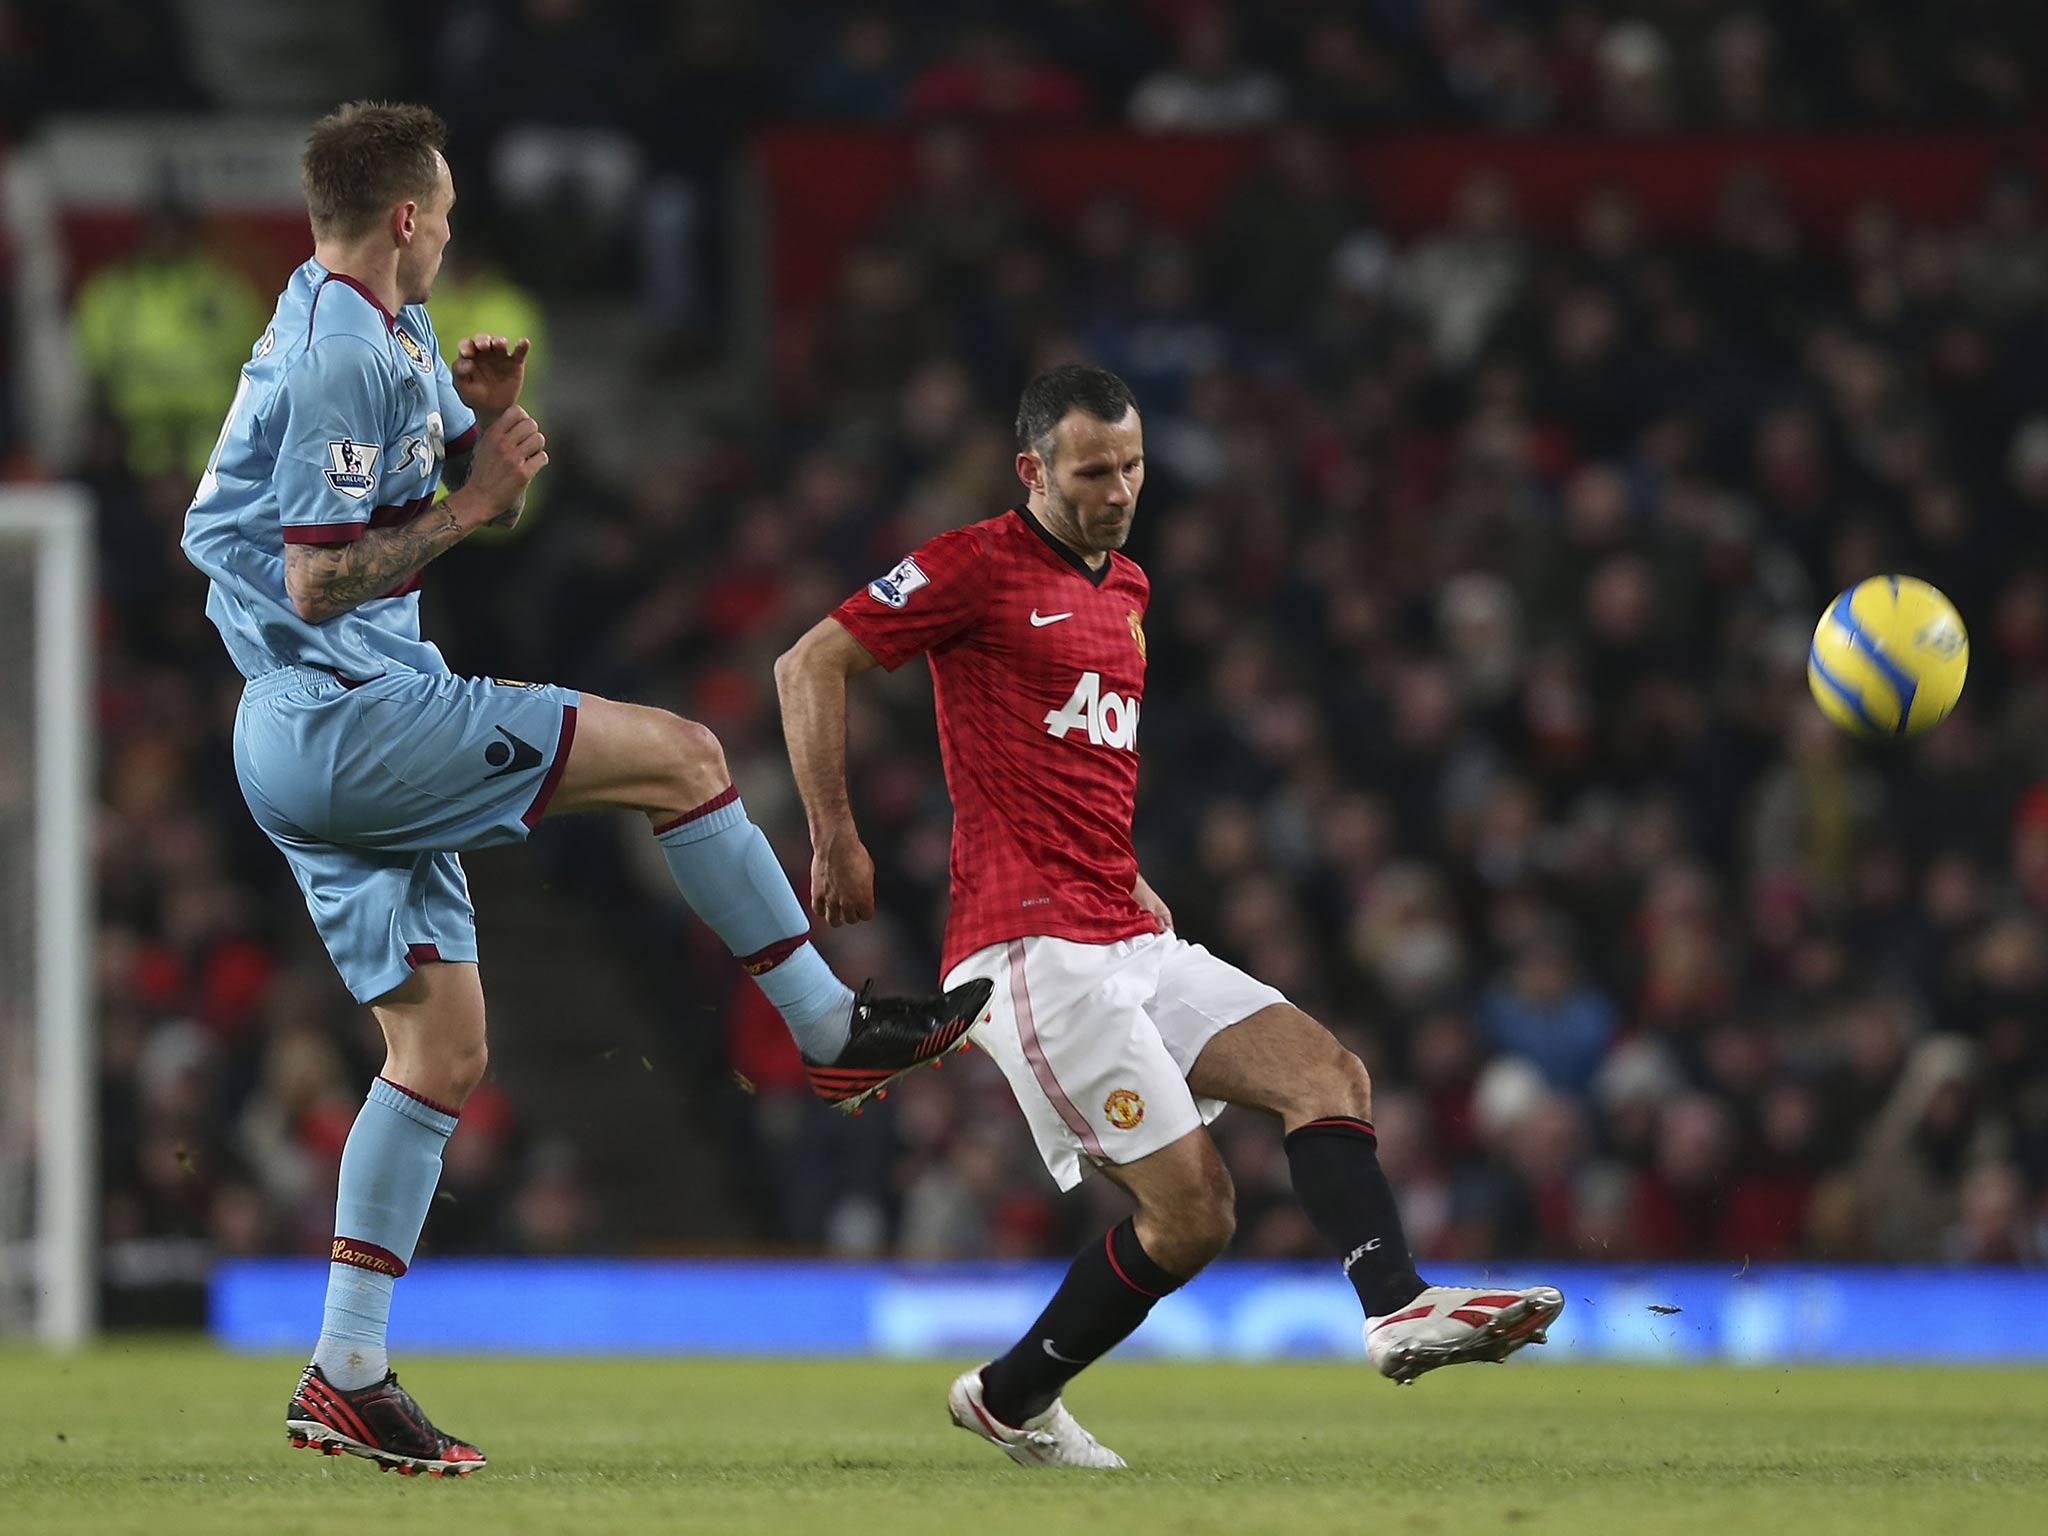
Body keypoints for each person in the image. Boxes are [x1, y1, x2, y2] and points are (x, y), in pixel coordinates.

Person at [179, 101, 991, 1478]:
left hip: (310, 732)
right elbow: (319, 578)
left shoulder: (363, 321)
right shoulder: (332, 355)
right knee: (684, 756)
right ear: (406, 221)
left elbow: (411, 453)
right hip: (346, 716)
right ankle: (827, 1027)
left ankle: (348, 1368)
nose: (449, 230)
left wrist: (476, 421)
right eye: (440, 211)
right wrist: (474, 502)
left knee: (439, 1057)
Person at [776, 364, 1562, 1469]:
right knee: (1193, 1212)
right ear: (1032, 469)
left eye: (1131, 466)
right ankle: (1012, 1399)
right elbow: (808, 662)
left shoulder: (1130, 589)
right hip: (1030, 948)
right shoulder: (972, 563)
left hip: (1125, 925)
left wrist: (1129, 873)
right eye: (1092, 470)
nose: (1117, 489)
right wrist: (832, 833)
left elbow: (1074, 759)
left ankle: (1393, 1307)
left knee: (1326, 1074)